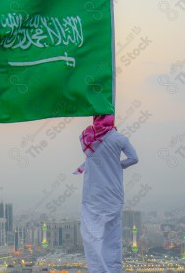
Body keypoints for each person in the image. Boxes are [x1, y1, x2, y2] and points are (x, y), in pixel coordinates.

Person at [74, 114, 138, 273]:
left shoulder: (88, 138)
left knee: (92, 236)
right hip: (113, 194)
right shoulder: (119, 138)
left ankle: (96, 269)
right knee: (113, 238)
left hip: (93, 195)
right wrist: (118, 165)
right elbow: (134, 158)